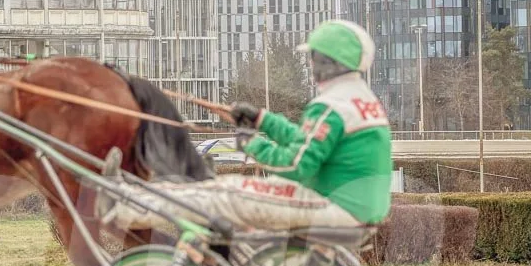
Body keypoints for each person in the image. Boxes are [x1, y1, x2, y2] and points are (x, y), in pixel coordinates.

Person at [99, 19, 393, 233]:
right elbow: (303, 141)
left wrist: (252, 143)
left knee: (217, 194)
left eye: (313, 58)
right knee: (218, 189)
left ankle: (123, 207)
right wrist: (261, 119)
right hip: (353, 205)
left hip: (332, 206)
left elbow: (295, 165)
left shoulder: (331, 106)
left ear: (328, 62)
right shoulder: (358, 100)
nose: (310, 65)